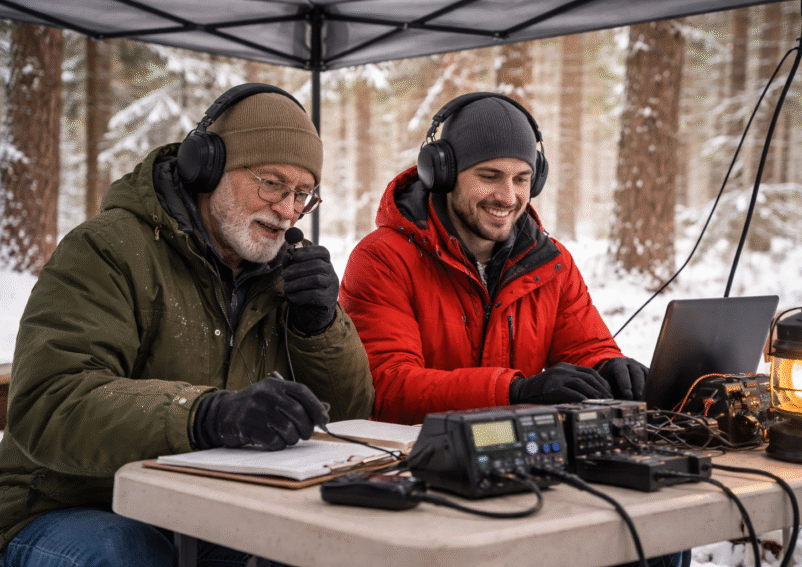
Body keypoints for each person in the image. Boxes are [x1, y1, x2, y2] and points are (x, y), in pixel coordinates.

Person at [0, 83, 374, 567]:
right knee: (129, 555)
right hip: (64, 502)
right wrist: (204, 416)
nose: (286, 210)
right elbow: (50, 401)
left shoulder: (286, 273)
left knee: (307, 550)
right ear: (207, 169)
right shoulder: (108, 250)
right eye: (271, 183)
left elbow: (347, 417)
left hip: (200, 506)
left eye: (302, 194)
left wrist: (319, 327)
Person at [339, 93, 688, 567]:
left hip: (522, 474)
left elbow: (585, 346)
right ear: (440, 172)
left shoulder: (552, 263)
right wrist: (516, 390)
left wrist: (609, 367)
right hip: (421, 485)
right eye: (489, 176)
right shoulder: (381, 258)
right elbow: (388, 387)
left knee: (660, 537)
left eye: (522, 179)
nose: (508, 196)